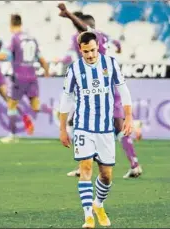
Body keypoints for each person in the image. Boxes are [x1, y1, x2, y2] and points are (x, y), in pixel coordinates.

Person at [57, 3, 142, 178]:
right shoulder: (105, 36)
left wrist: (68, 14)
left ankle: (85, 163)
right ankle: (134, 164)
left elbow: (82, 27)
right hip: (111, 83)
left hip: (100, 87)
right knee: (116, 126)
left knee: (78, 123)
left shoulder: (91, 35)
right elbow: (117, 44)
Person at [59, 31, 133, 228]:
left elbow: (123, 90)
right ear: (80, 50)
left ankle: (98, 205)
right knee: (85, 168)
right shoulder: (74, 69)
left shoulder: (110, 63)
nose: (90, 55)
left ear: (98, 46)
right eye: (86, 52)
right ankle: (88, 216)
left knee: (106, 175)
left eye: (93, 50)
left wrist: (129, 117)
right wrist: (62, 129)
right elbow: (65, 99)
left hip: (105, 128)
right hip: (83, 126)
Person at [0, 14, 50, 143]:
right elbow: (41, 58)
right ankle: (57, 112)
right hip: (32, 76)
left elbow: (4, 56)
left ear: (11, 24)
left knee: (11, 105)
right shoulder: (32, 38)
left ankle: (12, 135)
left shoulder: (15, 38)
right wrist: (47, 71)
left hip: (19, 77)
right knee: (36, 106)